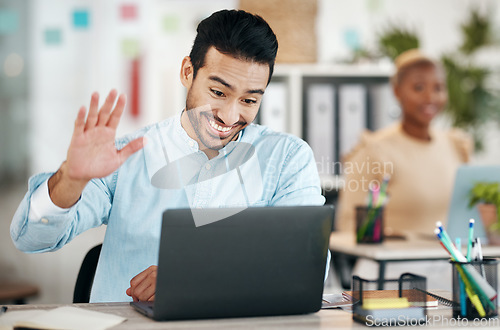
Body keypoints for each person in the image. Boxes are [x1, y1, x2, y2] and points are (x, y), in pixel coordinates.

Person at [10, 10, 325, 303]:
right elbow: (31, 238)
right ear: (188, 72)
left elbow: (305, 267)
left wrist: (193, 276)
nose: (230, 115)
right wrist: (71, 178)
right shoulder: (125, 157)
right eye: (218, 93)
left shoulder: (287, 159)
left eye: (249, 100)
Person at [336, 49, 472, 238]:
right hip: (393, 264)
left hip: (448, 262)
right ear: (397, 91)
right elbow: (348, 225)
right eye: (418, 87)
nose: (430, 97)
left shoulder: (455, 145)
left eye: (438, 88)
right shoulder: (374, 149)